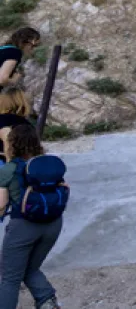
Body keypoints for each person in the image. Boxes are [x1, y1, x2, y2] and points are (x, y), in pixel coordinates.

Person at [0, 123, 64, 309]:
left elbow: (2, 205)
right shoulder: (47, 165)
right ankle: (47, 302)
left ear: (12, 144)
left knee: (10, 277)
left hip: (24, 226)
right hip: (53, 224)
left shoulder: (8, 170)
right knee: (30, 267)